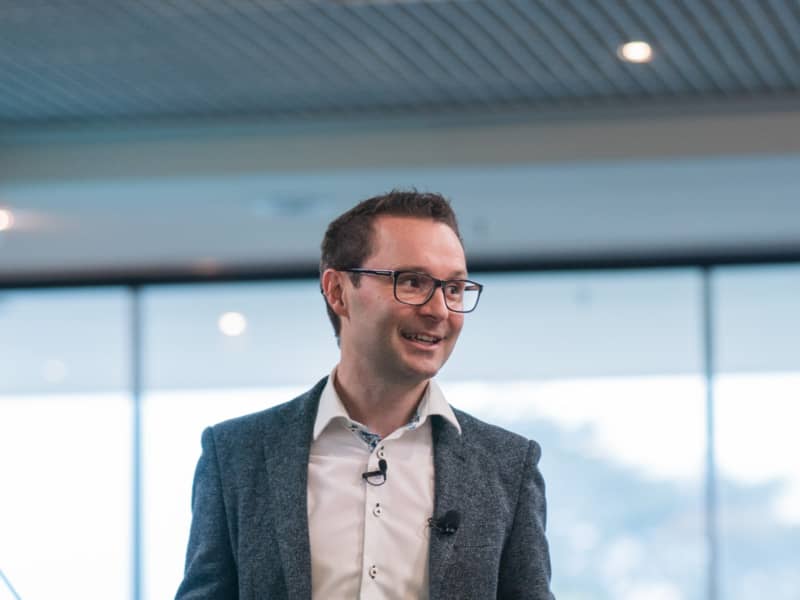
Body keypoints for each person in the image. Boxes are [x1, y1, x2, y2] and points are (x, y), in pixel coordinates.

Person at [175, 191, 554, 599]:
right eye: (412, 282)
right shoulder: (236, 454)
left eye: (456, 289)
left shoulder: (507, 467)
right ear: (338, 291)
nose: (440, 310)